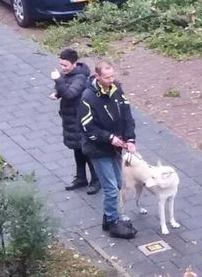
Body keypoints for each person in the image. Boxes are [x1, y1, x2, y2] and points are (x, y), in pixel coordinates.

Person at [80, 60, 138, 239]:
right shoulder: (87, 98)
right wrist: (110, 138)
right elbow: (87, 127)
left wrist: (130, 139)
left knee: (118, 184)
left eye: (113, 76)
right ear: (97, 76)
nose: (111, 80)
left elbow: (127, 116)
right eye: (107, 77)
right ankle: (112, 222)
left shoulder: (117, 91)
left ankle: (108, 217)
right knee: (111, 188)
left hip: (115, 148)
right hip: (98, 148)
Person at [49, 49, 99, 195]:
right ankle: (81, 178)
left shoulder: (80, 78)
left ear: (74, 64)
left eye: (65, 65)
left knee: (87, 151)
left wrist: (58, 80)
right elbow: (66, 89)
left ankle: (96, 180)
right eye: (61, 65)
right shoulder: (69, 75)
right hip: (71, 119)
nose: (62, 68)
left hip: (80, 120)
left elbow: (70, 94)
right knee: (77, 149)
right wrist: (58, 93)